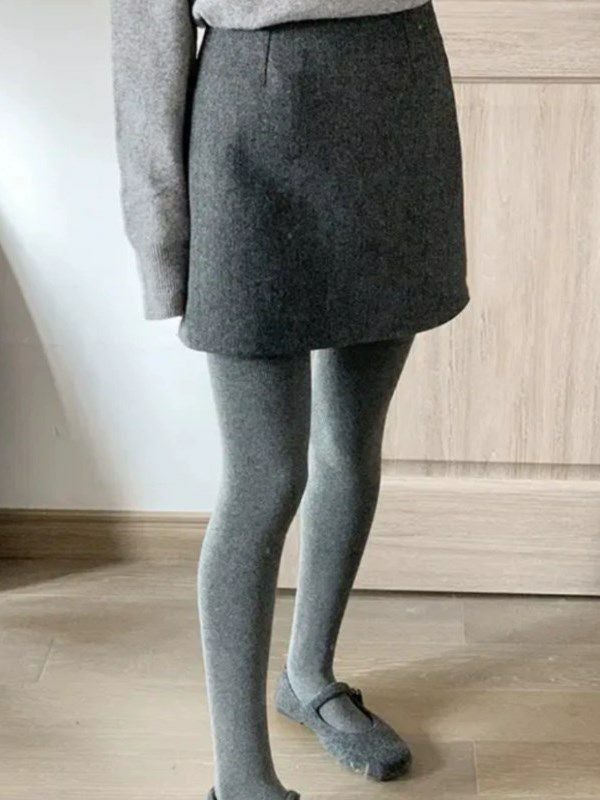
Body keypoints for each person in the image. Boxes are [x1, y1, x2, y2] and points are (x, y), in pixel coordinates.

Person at [109, 2, 471, 798]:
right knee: (266, 477)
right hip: (254, 129)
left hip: (402, 100)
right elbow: (144, 34)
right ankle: (241, 780)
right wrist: (161, 241)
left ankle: (309, 676)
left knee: (350, 443)